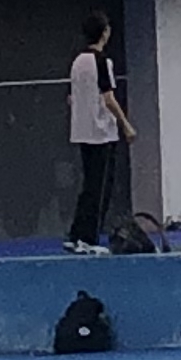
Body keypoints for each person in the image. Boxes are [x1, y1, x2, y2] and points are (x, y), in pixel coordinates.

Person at [65, 13, 133, 254]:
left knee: (89, 186)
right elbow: (108, 98)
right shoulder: (103, 62)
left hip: (82, 131)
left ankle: (76, 234)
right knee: (100, 188)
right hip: (101, 133)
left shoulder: (77, 62)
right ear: (104, 33)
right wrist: (125, 124)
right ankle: (89, 238)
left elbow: (71, 97)